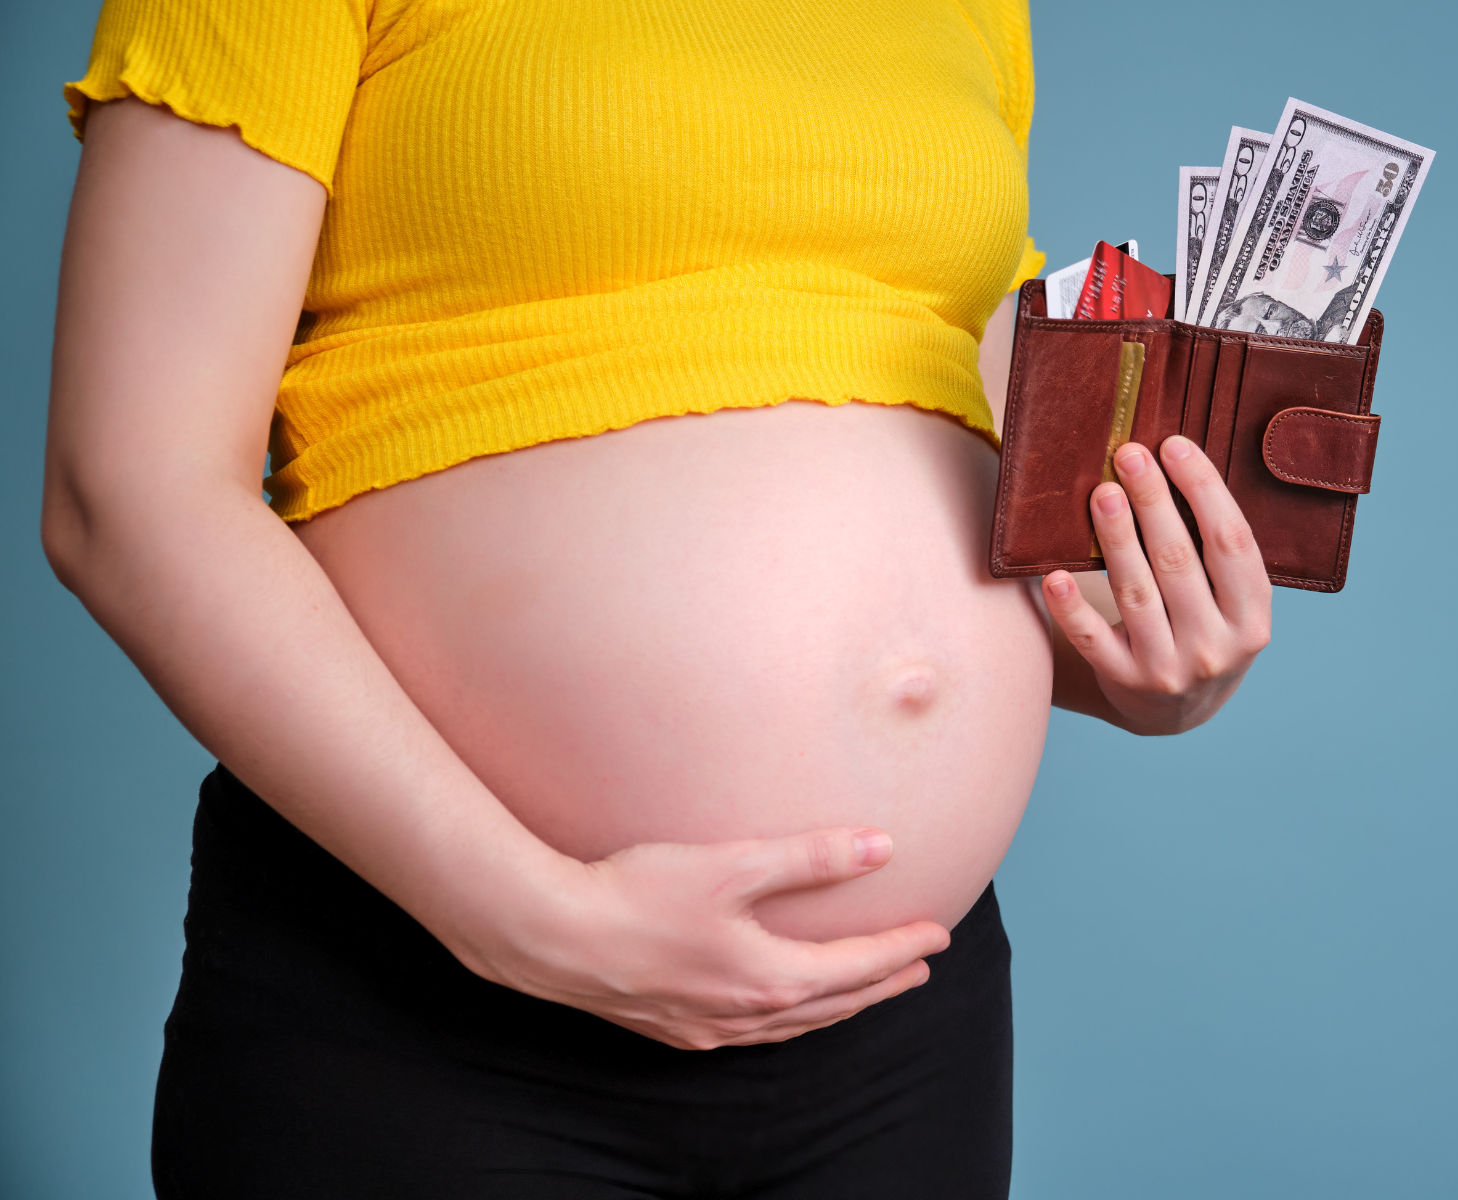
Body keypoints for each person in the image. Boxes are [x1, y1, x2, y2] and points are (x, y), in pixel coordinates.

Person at [42, 1, 1271, 1196]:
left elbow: (947, 418)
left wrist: (1138, 662)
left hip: (894, 1035)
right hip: (434, 998)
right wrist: (532, 920)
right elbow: (131, 491)